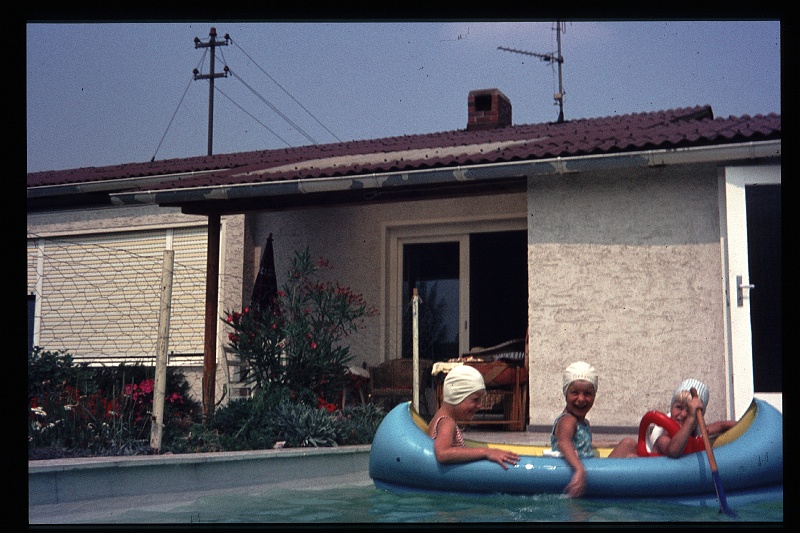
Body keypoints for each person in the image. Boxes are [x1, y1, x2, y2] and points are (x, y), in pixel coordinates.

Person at [550, 361, 638, 497]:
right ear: (565, 394)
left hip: (591, 468)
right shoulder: (567, 420)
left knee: (629, 444)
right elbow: (564, 442)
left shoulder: (584, 423)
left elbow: (582, 444)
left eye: (587, 394)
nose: (581, 399)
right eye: (575, 393)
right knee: (630, 451)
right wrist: (579, 469)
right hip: (572, 471)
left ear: (594, 396)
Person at [428, 364, 520, 469]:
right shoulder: (447, 423)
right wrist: (486, 452)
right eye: (475, 400)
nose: (480, 405)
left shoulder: (439, 416)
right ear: (457, 396)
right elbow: (442, 453)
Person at [648, 378, 736, 458]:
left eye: (689, 410)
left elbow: (721, 426)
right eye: (679, 407)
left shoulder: (700, 432)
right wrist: (691, 417)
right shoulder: (663, 439)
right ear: (671, 408)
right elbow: (673, 451)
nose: (683, 414)